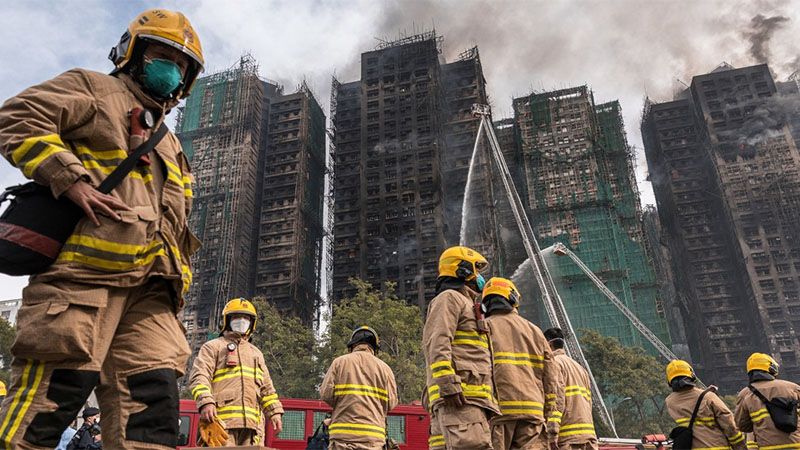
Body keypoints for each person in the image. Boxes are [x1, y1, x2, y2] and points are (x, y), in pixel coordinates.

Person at [0, 8, 203, 449]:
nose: (172, 69)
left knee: (153, 414)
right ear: (132, 53)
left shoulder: (171, 143)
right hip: (85, 283)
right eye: (162, 56)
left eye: (182, 64)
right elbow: (17, 116)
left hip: (153, 296)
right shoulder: (94, 89)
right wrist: (69, 178)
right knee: (46, 409)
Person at [423, 246, 498, 450]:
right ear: (463, 269)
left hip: (468, 398)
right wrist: (448, 383)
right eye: (476, 269)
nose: (480, 277)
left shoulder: (466, 303)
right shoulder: (450, 298)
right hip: (461, 397)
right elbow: (437, 342)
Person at [189, 298, 284, 446]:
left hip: (252, 427)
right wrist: (205, 401)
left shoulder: (256, 353)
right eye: (237, 317)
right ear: (227, 320)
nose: (242, 321)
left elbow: (267, 388)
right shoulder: (213, 347)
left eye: (246, 318)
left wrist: (275, 412)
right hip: (221, 423)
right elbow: (199, 376)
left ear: (252, 323)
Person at [483, 277, 558, 450]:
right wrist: (548, 413)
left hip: (499, 414)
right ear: (513, 299)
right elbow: (551, 378)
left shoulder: (483, 328)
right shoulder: (535, 331)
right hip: (533, 415)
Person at [320, 326, 398, 450]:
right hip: (373, 440)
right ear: (374, 348)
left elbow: (326, 395)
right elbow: (391, 403)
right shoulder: (385, 369)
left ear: (352, 345)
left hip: (342, 440)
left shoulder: (339, 363)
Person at [664, 360, 746, 450]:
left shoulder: (670, 402)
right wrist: (740, 446)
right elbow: (729, 424)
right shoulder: (708, 397)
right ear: (692, 375)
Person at [543, 328, 597, 450]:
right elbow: (589, 402)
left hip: (567, 438)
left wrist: (552, 433)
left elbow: (556, 400)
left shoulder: (554, 364)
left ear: (549, 344)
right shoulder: (580, 368)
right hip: (588, 437)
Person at [734, 353, 800, 448]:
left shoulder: (745, 394)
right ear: (772, 368)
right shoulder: (793, 388)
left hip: (768, 447)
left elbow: (742, 425)